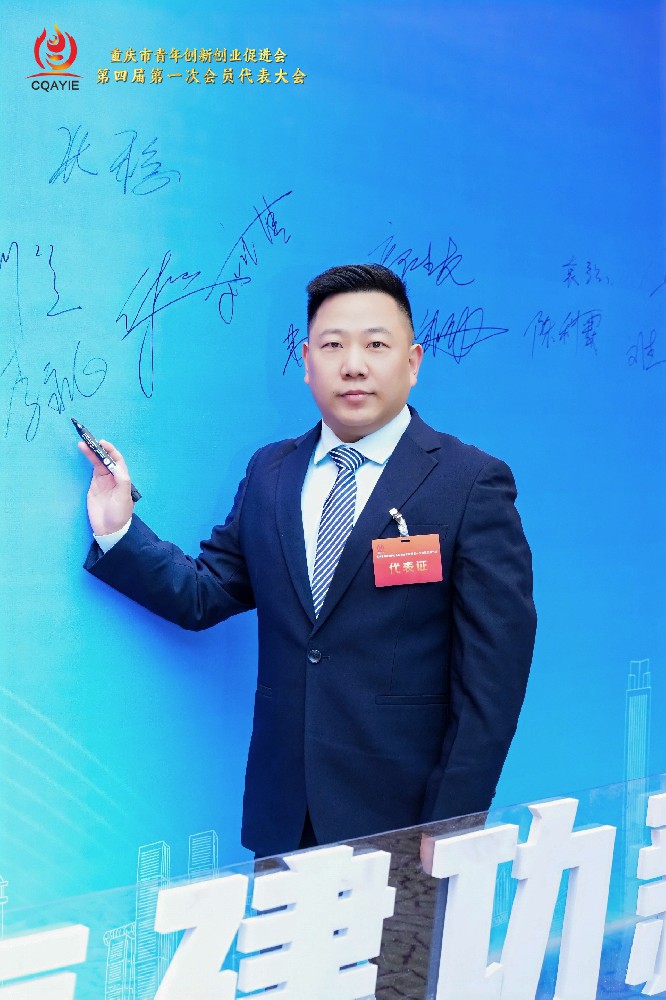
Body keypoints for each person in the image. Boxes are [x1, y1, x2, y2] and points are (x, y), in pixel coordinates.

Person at [79, 263, 536, 859]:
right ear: (306, 361)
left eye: (376, 345)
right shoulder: (271, 472)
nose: (354, 364)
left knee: (401, 934)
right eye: (333, 345)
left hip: (403, 824)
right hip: (285, 817)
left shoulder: (469, 482)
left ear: (413, 362)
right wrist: (118, 528)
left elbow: (493, 680)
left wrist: (450, 825)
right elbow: (206, 592)